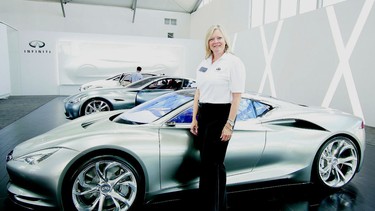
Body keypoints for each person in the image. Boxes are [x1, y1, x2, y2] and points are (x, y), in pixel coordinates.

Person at [190, 24, 246, 211]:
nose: (216, 42)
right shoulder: (204, 63)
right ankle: (218, 204)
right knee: (210, 164)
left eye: (219, 38)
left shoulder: (233, 62)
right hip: (205, 114)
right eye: (212, 39)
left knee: (212, 163)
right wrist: (194, 118)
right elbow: (198, 92)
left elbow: (237, 96)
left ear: (225, 40)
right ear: (208, 42)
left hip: (222, 114)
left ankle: (212, 207)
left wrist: (229, 124)